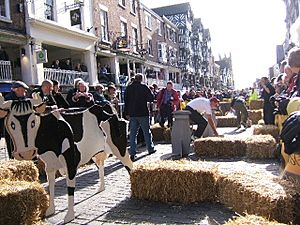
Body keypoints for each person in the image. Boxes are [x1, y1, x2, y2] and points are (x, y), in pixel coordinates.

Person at [124, 73, 156, 162]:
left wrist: (126, 113)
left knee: (133, 134)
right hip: (143, 112)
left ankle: (133, 153)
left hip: (132, 114)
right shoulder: (144, 87)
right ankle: (150, 148)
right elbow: (151, 98)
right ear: (141, 79)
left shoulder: (129, 88)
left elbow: (125, 101)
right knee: (146, 132)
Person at [4, 81, 29, 158]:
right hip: (12, 128)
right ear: (16, 90)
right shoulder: (8, 99)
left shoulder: (23, 98)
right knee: (13, 146)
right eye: (23, 90)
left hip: (23, 127)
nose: (25, 92)